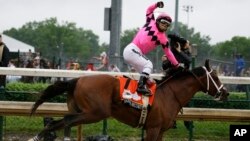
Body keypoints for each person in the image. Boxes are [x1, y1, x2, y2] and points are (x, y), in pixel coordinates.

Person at [123, 1, 180, 96]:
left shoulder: (164, 39)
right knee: (149, 64)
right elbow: (149, 10)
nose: (165, 25)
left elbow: (169, 53)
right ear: (158, 20)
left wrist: (176, 65)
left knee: (149, 80)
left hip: (135, 53)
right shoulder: (150, 21)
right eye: (163, 23)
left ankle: (139, 97)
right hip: (132, 50)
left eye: (167, 25)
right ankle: (140, 87)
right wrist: (157, 5)